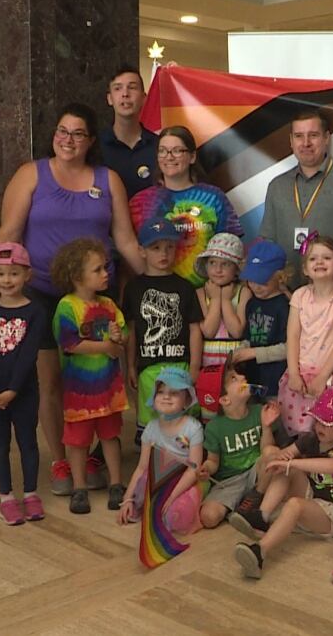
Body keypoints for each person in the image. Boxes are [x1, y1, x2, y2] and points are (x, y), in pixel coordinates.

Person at [0, 102, 144, 496]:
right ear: (54, 135)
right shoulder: (31, 174)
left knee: (102, 376)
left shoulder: (108, 179)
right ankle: (63, 459)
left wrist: (156, 277)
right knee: (50, 381)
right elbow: (8, 232)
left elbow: (124, 239)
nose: (68, 140)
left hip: (96, 297)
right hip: (43, 295)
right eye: (62, 132)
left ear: (90, 140)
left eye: (77, 133)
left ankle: (99, 452)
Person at [229, 386, 333, 579]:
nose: (319, 427)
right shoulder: (311, 437)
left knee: (295, 504)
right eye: (317, 420)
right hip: (313, 494)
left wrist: (292, 462)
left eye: (328, 423)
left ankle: (260, 551)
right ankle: (261, 516)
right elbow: (288, 455)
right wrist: (280, 458)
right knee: (286, 468)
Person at [51, 238, 129, 514]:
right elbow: (70, 343)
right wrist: (107, 346)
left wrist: (118, 338)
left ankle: (116, 484)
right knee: (78, 440)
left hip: (108, 388)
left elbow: (121, 334)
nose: (106, 273)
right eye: (98, 270)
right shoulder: (67, 306)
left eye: (105, 267)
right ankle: (80, 487)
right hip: (78, 390)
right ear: (77, 276)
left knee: (110, 435)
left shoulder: (109, 305)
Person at [0, 242, 46, 525]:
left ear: (27, 275)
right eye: (1, 274)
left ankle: (30, 493)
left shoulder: (35, 312)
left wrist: (13, 389)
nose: (7, 280)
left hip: (24, 392)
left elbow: (28, 355)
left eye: (14, 273)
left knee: (28, 441)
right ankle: (6, 498)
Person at [260, 109, 333, 288]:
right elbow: (267, 243)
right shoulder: (276, 186)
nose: (306, 143)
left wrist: (326, 289)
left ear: (326, 138)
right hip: (284, 296)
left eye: (313, 135)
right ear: (291, 141)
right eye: (299, 136)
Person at [128, 125, 244, 287]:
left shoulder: (213, 198)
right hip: (155, 295)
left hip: (205, 296)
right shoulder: (140, 202)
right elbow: (130, 250)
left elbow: (230, 250)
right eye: (162, 150)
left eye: (177, 150)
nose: (169, 157)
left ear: (192, 157)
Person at [123, 215, 203, 448]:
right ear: (142, 251)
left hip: (180, 364)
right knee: (150, 430)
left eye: (169, 247)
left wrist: (195, 366)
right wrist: (130, 365)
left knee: (184, 429)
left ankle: (182, 472)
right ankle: (150, 473)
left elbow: (194, 328)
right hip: (148, 366)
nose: (163, 254)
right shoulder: (134, 288)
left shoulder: (184, 287)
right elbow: (132, 329)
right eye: (155, 248)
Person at [278, 234, 333, 437]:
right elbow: (293, 335)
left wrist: (323, 377)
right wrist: (294, 374)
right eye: (313, 259)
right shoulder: (299, 296)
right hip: (299, 376)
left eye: (327, 258)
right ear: (305, 269)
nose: (320, 262)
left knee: (326, 430)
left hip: (329, 376)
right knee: (299, 432)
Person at [117, 367, 206, 533]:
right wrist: (127, 499)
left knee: (179, 515)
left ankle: (163, 507)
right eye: (161, 391)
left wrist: (172, 496)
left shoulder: (193, 428)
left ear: (186, 400)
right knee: (142, 486)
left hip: (183, 482)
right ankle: (151, 506)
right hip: (158, 478)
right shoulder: (151, 428)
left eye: (174, 393)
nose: (166, 396)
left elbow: (193, 470)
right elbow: (142, 468)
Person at [196, 359, 281, 528]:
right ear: (225, 400)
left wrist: (266, 426)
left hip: (256, 474)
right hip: (229, 482)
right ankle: (243, 505)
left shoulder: (259, 411)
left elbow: (267, 451)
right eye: (234, 379)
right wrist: (206, 468)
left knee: (272, 452)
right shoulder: (214, 427)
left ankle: (254, 499)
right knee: (208, 517)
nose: (243, 376)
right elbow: (213, 461)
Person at [232, 240, 290, 398]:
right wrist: (240, 351)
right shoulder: (251, 302)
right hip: (253, 377)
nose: (256, 287)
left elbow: (288, 348)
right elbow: (249, 337)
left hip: (276, 380)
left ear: (280, 277)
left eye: (262, 281)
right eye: (251, 280)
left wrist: (253, 353)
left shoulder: (285, 305)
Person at [99, 65, 157, 201]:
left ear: (144, 98)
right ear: (109, 98)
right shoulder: (95, 146)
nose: (125, 94)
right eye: (118, 88)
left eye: (132, 87)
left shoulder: (159, 146)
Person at [195, 233, 251, 368]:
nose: (218, 270)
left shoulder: (244, 292)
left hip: (235, 359)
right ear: (206, 265)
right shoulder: (200, 293)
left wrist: (225, 301)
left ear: (236, 269)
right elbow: (208, 331)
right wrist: (215, 299)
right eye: (212, 263)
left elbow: (237, 332)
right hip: (208, 359)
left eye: (225, 264)